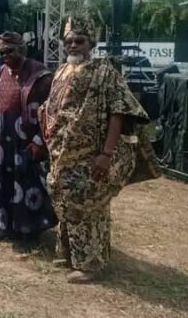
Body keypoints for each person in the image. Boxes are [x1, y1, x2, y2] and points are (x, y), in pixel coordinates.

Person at [40, 16, 150, 283]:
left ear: (92, 43)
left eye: (79, 41)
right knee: (64, 202)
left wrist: (107, 154)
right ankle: (68, 253)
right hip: (61, 154)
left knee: (88, 205)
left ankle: (90, 264)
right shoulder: (62, 71)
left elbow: (118, 111)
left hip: (90, 154)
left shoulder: (104, 71)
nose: (73, 46)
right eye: (69, 41)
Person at [0, 32, 56, 239]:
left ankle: (30, 231)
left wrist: (39, 141)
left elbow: (52, 112)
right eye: (1, 52)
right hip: (0, 142)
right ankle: (6, 228)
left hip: (27, 142)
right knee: (2, 183)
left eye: (9, 51)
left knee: (28, 184)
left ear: (22, 49)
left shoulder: (41, 75)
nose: (5, 56)